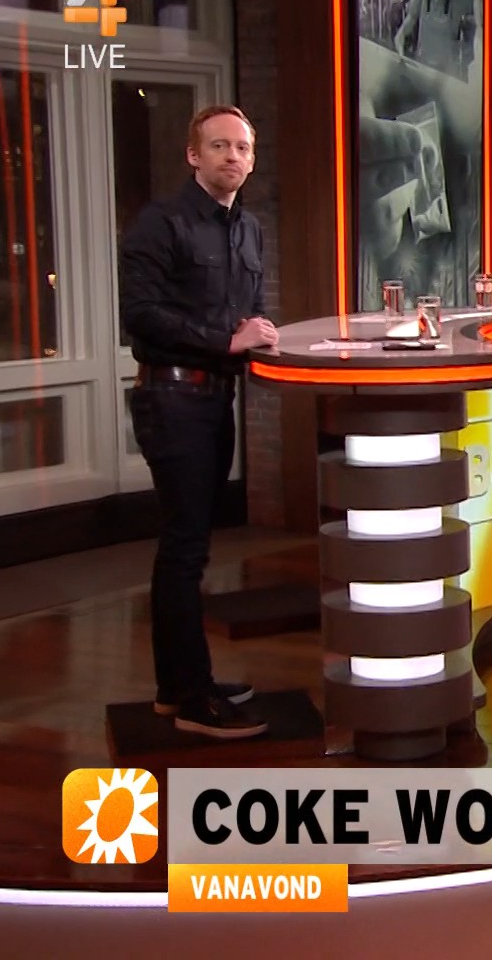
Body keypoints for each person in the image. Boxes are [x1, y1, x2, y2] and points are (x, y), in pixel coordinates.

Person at [118, 106, 279, 739]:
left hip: (216, 399)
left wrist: (258, 334)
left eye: (242, 147)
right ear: (193, 155)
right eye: (219, 146)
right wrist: (226, 340)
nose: (233, 156)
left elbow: (248, 312)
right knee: (184, 547)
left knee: (195, 545)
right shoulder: (161, 223)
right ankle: (191, 696)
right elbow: (141, 314)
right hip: (172, 398)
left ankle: (176, 684)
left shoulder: (249, 229)